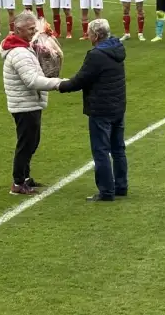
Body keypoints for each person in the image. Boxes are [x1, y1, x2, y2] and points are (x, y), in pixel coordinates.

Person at [58, 18, 128, 202]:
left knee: (101, 150)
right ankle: (121, 186)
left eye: (88, 33)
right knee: (118, 148)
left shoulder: (96, 55)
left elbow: (80, 80)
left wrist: (59, 85)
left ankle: (106, 191)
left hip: (101, 108)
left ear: (96, 36)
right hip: (118, 106)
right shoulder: (117, 48)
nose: (87, 36)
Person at [0, 11, 66, 195]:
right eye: (30, 29)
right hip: (24, 104)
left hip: (28, 102)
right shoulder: (19, 53)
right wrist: (59, 83)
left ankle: (25, 177)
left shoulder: (23, 47)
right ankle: (18, 182)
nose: (33, 32)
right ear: (18, 29)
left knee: (32, 141)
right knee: (26, 143)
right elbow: (32, 81)